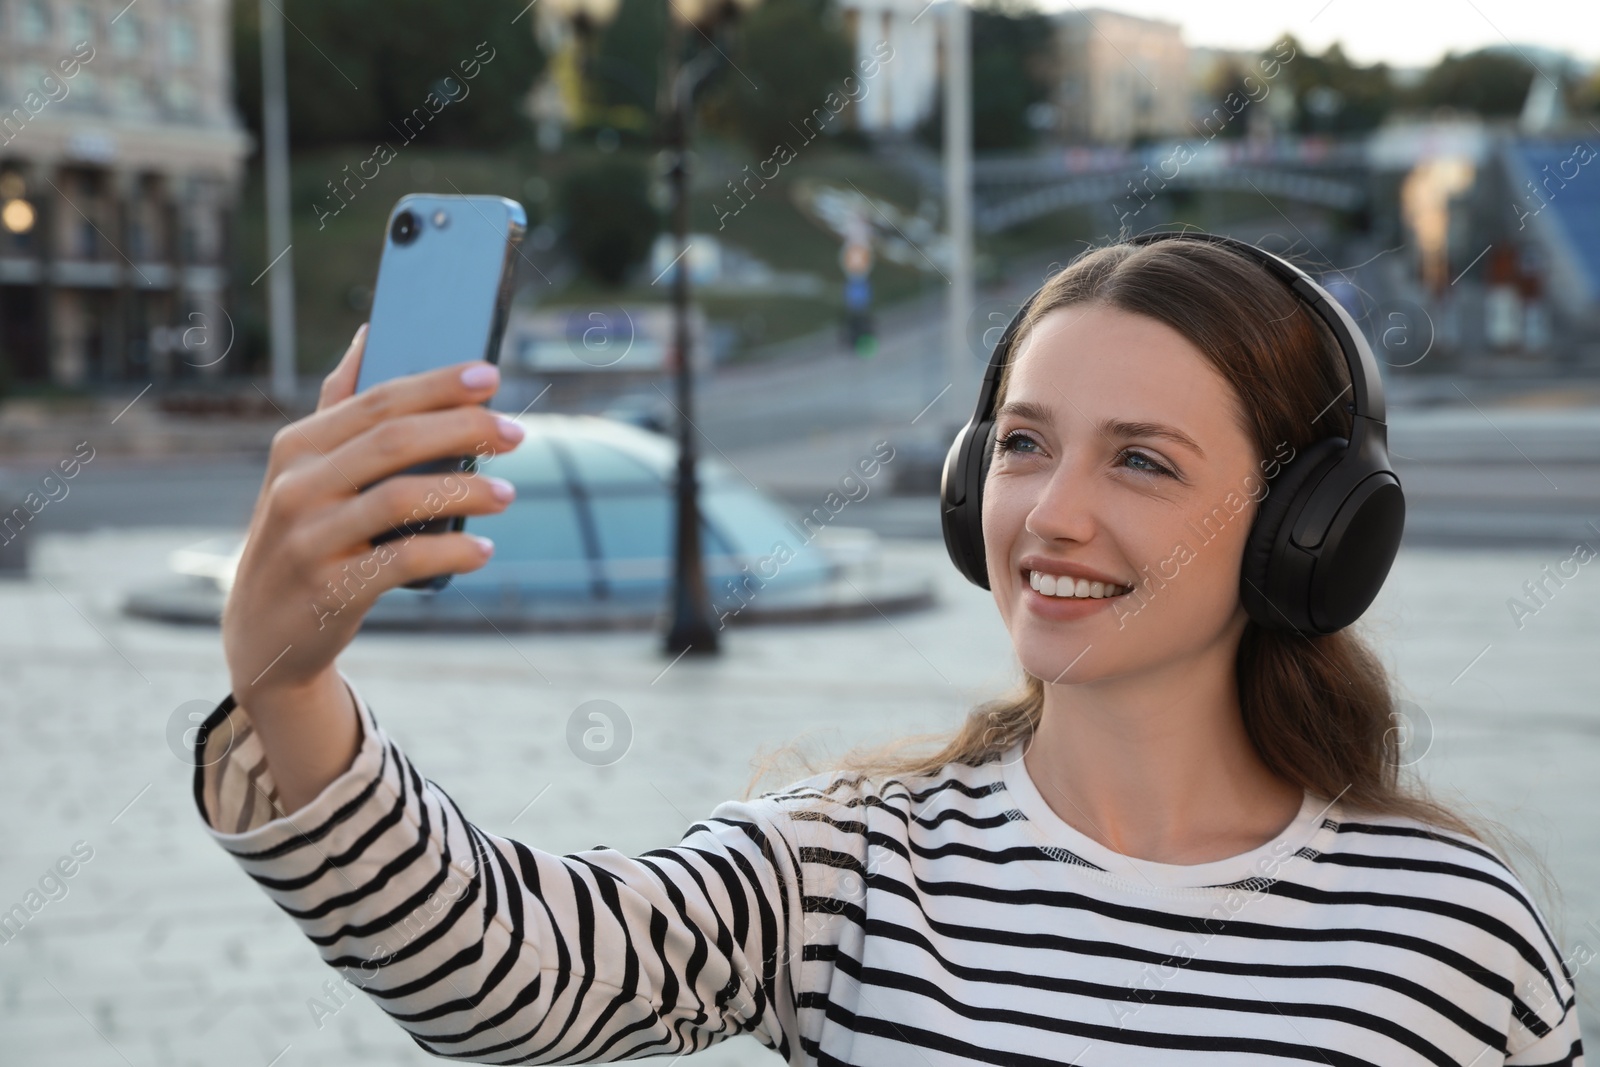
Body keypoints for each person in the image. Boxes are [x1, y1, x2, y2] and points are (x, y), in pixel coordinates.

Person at [193, 238, 1584, 1065]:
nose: (1053, 512)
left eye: (1145, 463)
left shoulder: (1451, 937)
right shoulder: (849, 868)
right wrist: (288, 684)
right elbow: (502, 973)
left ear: (1306, 527)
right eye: (1025, 444)